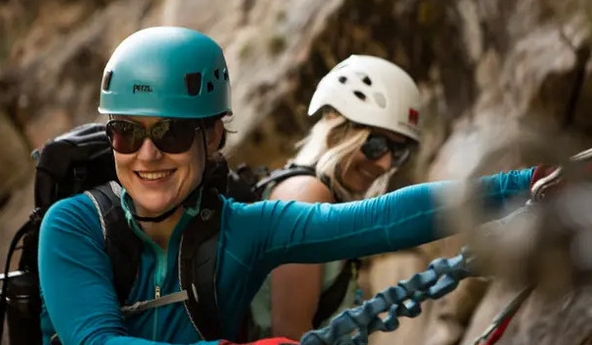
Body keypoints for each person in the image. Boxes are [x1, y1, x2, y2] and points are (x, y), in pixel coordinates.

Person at [38, 26, 537, 345]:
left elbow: (380, 220)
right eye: (126, 132)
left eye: (172, 131)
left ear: (212, 134)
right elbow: (96, 341)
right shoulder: (74, 225)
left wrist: (525, 183)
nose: (147, 155)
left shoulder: (249, 230)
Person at [249, 54, 423, 340]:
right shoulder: (305, 196)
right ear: (334, 122)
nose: (385, 164)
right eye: (376, 144)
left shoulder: (324, 199)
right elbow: (290, 334)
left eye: (398, 152)